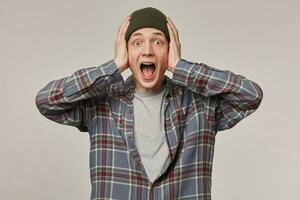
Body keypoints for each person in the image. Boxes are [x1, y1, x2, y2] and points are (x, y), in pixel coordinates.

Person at [35, 7, 263, 200]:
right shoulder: (101, 102)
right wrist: (112, 67)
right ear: (125, 50)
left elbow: (250, 95)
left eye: (158, 41)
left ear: (170, 50)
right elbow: (47, 101)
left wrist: (181, 67)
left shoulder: (201, 104)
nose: (147, 50)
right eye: (136, 43)